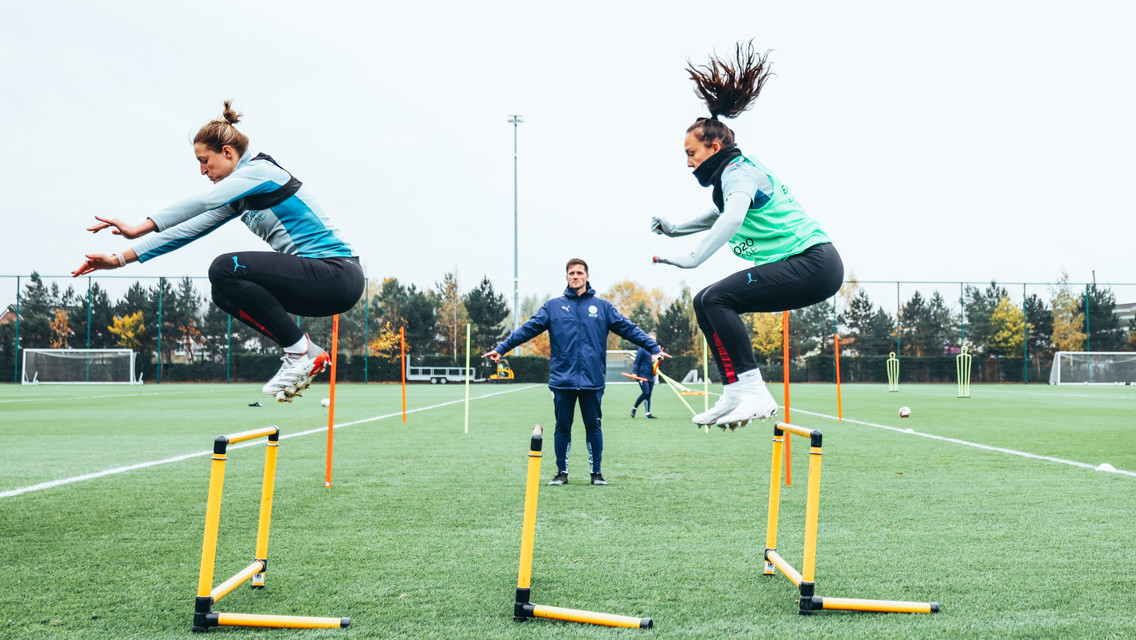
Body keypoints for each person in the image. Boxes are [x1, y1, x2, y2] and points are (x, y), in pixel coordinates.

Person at [72, 101, 364, 402]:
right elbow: (186, 231)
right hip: (315, 288)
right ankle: (306, 351)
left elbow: (203, 202)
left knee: (224, 268)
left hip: (337, 274)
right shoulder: (240, 198)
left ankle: (298, 351)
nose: (202, 171)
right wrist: (118, 259)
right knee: (223, 292)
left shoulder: (261, 171)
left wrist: (138, 227)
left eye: (205, 161)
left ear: (227, 152)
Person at [652, 42, 844, 429]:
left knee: (718, 297)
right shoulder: (732, 175)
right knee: (705, 301)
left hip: (814, 263)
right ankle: (736, 390)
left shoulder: (738, 173)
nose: (688, 163)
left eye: (691, 153)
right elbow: (717, 214)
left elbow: (732, 219)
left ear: (714, 146)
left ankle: (755, 392)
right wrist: (675, 230)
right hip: (804, 265)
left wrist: (694, 257)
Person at [483, 259, 663, 486]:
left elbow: (629, 329)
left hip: (592, 380)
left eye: (579, 273)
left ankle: (596, 473)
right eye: (571, 273)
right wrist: (502, 348)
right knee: (562, 427)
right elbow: (528, 329)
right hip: (562, 380)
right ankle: (562, 473)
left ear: (587, 276)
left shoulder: (603, 307)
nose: (575, 276)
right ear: (567, 277)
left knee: (594, 427)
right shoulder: (553, 307)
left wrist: (653, 347)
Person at [630, 333, 659, 419]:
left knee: (648, 394)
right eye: (651, 339)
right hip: (642, 374)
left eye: (654, 340)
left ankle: (647, 413)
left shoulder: (654, 351)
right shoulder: (642, 348)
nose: (652, 341)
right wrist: (634, 372)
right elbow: (636, 362)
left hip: (650, 375)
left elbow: (654, 363)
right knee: (646, 392)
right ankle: (634, 408)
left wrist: (655, 370)